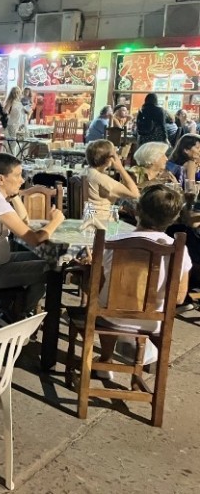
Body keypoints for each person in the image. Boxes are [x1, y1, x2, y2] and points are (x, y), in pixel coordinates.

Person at [94, 185, 192, 377]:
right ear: (174, 218)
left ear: (137, 210)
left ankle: (106, 360)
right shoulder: (178, 249)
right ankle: (143, 359)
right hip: (154, 320)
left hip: (111, 316)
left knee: (103, 302)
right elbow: (180, 298)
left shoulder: (115, 241)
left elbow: (99, 283)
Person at [0, 153, 65, 323]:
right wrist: (55, 221)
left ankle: (7, 309)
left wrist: (15, 195)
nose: (22, 180)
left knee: (44, 256)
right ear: (1, 179)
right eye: (17, 176)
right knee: (52, 268)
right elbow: (35, 239)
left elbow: (24, 221)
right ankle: (16, 315)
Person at [83, 139, 140, 216]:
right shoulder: (102, 179)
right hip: (102, 219)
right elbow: (135, 194)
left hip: (88, 216)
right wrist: (120, 168)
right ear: (109, 158)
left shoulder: (86, 172)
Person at [3, 86, 31, 155]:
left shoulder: (23, 100)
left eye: (17, 92)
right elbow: (5, 110)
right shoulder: (11, 101)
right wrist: (7, 112)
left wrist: (26, 108)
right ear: (12, 94)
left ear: (20, 92)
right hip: (12, 124)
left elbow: (29, 111)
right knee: (13, 143)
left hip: (22, 125)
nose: (16, 94)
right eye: (14, 93)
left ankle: (20, 157)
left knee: (23, 143)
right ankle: (12, 157)